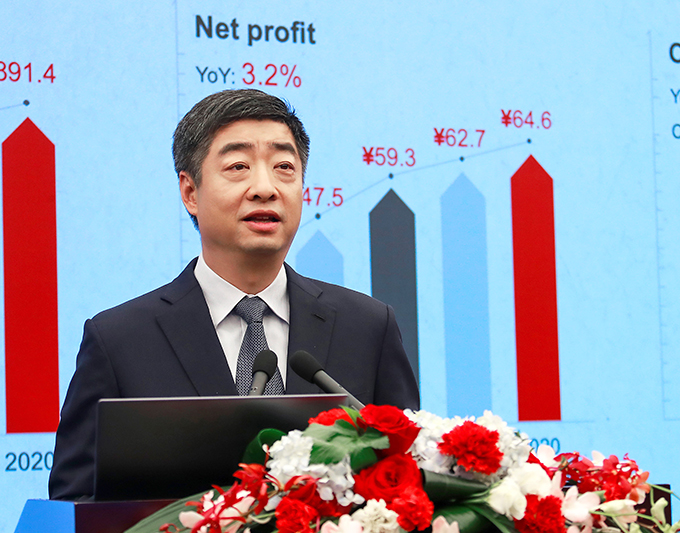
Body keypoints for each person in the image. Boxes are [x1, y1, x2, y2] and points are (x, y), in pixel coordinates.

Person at [48, 89, 419, 500]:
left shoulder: (367, 327)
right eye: (238, 166)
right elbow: (74, 504)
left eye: (284, 167)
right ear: (190, 192)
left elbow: (411, 482)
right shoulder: (120, 340)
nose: (265, 188)